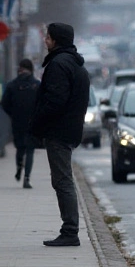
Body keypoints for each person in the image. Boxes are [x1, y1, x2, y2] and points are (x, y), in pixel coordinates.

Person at [29, 23, 90, 248]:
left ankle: (70, 231)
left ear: (56, 40)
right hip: (69, 130)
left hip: (59, 131)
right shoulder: (74, 64)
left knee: (63, 180)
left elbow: (55, 101)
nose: (45, 40)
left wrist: (36, 123)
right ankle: (69, 229)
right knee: (63, 180)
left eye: (48, 37)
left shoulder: (58, 65)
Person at [2, 59, 41, 189]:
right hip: (32, 123)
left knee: (20, 148)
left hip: (17, 121)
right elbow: (42, 104)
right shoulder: (36, 85)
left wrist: (13, 113)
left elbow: (4, 103)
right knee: (30, 150)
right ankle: (27, 178)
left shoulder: (12, 85)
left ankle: (19, 167)